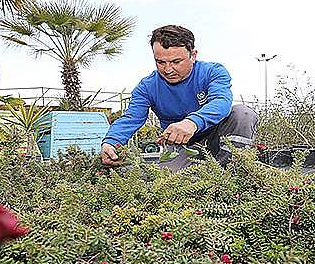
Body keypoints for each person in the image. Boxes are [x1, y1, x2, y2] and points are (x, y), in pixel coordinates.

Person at [101, 25, 258, 171]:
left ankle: (232, 170)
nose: (168, 69)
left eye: (176, 61)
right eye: (160, 62)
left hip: (218, 138)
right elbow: (131, 118)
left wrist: (192, 122)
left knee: (243, 114)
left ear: (193, 55)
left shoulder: (213, 72)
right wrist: (110, 142)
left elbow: (221, 102)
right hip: (181, 147)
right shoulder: (147, 87)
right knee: (166, 182)